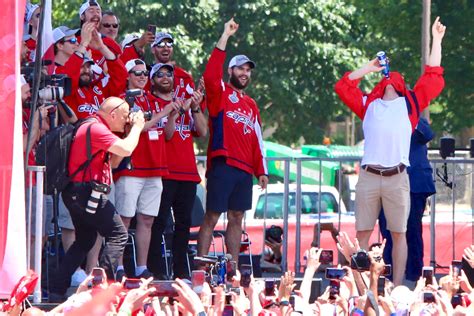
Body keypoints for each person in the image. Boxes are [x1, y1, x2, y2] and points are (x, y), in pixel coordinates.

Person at [334, 17, 446, 285]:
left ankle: (397, 287)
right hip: (370, 175)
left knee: (399, 234)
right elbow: (343, 85)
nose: (391, 82)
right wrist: (370, 67)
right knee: (362, 233)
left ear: (403, 87)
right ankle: (359, 287)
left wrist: (437, 40)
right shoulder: (368, 104)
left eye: (396, 82)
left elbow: (433, 74)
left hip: (397, 176)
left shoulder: (411, 104)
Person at [48, 97, 145, 302]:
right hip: (86, 192)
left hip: (77, 192)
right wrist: (137, 127)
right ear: (113, 114)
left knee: (85, 239)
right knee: (119, 234)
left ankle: (57, 287)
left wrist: (127, 132)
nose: (127, 119)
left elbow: (117, 161)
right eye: (125, 115)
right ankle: (104, 287)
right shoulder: (97, 129)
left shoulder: (92, 125)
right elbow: (126, 149)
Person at [197, 18, 268, 265]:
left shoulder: (251, 104)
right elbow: (209, 74)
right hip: (223, 163)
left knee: (237, 216)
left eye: (248, 70)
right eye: (240, 68)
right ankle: (201, 267)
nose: (245, 73)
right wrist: (225, 36)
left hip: (244, 170)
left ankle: (233, 268)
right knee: (212, 216)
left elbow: (258, 140)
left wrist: (262, 171)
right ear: (231, 71)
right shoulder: (220, 93)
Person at [113, 60, 178, 280]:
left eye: (145, 73)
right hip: (132, 167)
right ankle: (118, 265)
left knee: (147, 220)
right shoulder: (125, 101)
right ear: (128, 75)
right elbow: (136, 128)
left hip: (155, 167)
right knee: (125, 219)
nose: (142, 76)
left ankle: (141, 267)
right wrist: (163, 113)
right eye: (137, 73)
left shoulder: (153, 99)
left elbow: (168, 134)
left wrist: (172, 115)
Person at [147, 68, 207, 279]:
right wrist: (176, 113)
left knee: (184, 224)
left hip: (188, 173)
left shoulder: (184, 102)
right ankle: (157, 270)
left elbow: (202, 131)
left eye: (169, 75)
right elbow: (169, 135)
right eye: (160, 75)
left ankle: (181, 271)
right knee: (159, 223)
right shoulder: (153, 104)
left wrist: (196, 108)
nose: (166, 78)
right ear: (152, 80)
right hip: (164, 172)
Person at [378, 117, 436, 281]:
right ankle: (388, 277)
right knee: (387, 231)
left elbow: (427, 134)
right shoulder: (382, 119)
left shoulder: (415, 117)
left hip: (414, 184)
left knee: (412, 231)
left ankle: (414, 277)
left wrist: (409, 115)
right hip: (387, 182)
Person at [56, 22, 127, 119]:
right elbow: (69, 76)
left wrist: (102, 47)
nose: (86, 70)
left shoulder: (96, 87)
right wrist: (83, 44)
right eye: (81, 66)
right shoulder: (66, 86)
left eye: (89, 66)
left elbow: (121, 76)